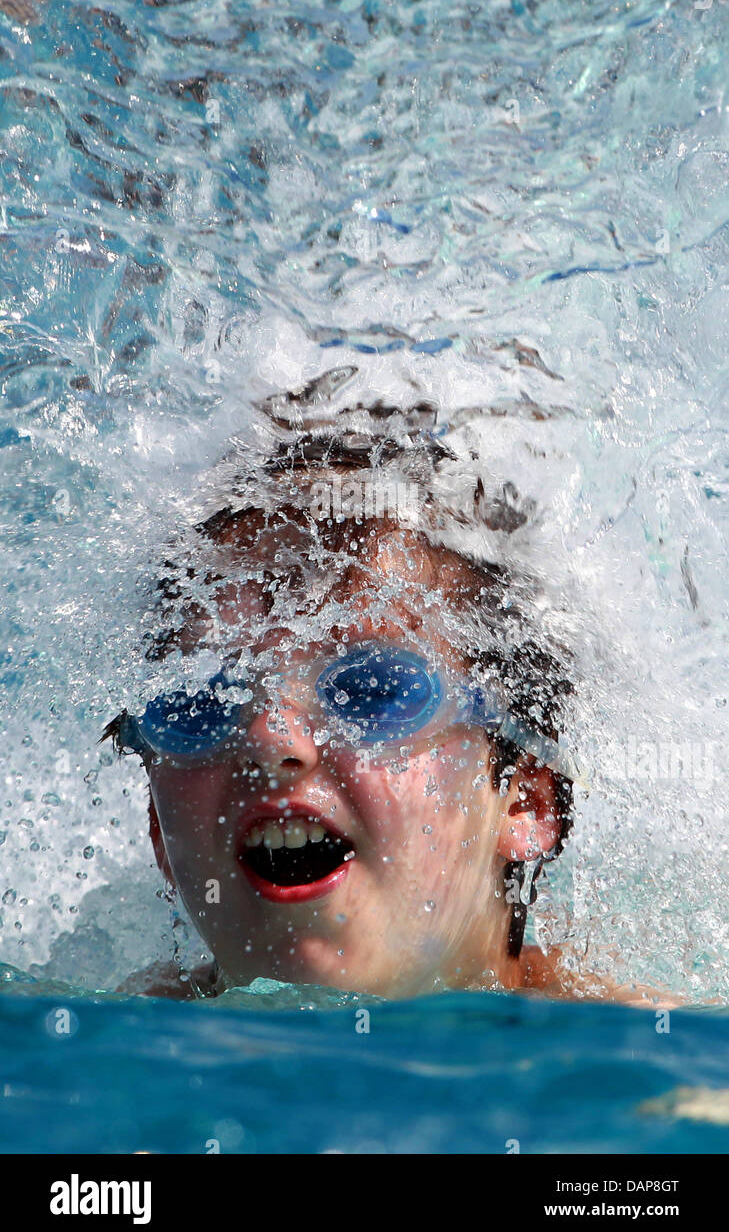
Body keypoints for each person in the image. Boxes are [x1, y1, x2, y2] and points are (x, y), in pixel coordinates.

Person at [104, 375, 675, 1006]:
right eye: (201, 703)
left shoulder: (645, 1070)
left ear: (524, 802)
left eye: (372, 690)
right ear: (158, 823)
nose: (270, 737)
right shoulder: (96, 1063)